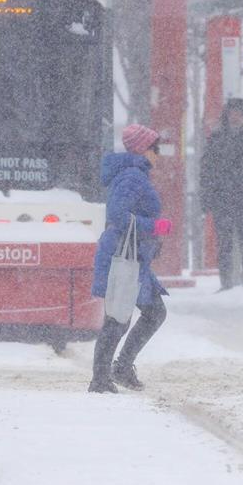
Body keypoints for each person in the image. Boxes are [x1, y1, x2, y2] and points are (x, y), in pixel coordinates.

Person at [88, 124, 173, 393]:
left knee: (148, 312)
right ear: (142, 149)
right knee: (119, 317)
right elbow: (117, 215)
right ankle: (103, 377)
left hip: (132, 256)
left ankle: (116, 370)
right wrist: (155, 226)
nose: (158, 155)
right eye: (155, 149)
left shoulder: (132, 174)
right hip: (124, 256)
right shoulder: (132, 177)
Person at [199, 98, 243, 290]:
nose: (235, 116)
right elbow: (207, 168)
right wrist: (206, 197)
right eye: (232, 112)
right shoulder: (216, 138)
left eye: (239, 112)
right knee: (224, 242)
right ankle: (226, 282)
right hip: (223, 197)